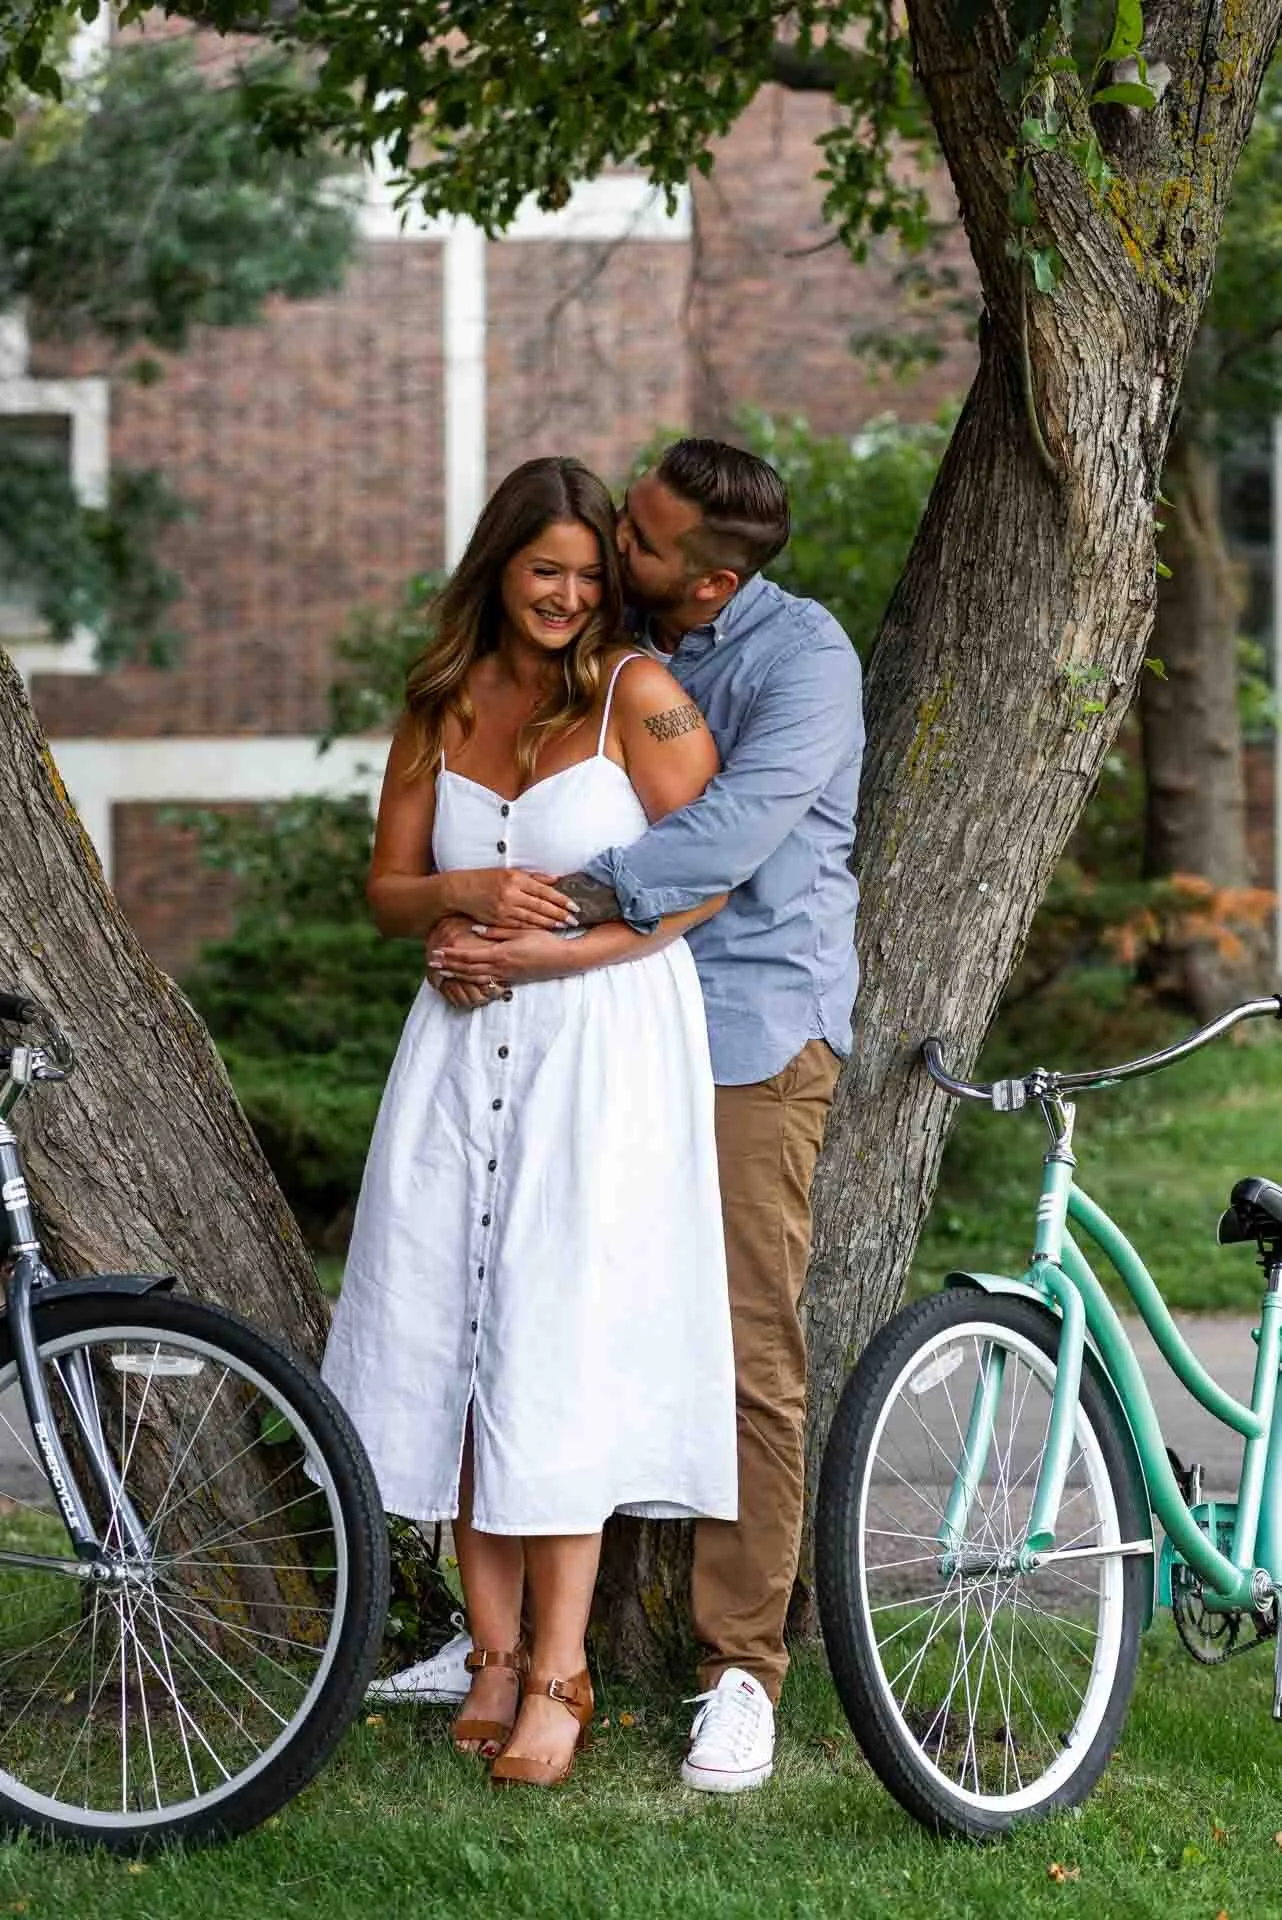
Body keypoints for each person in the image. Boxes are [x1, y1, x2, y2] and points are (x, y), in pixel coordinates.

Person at [429, 439, 863, 1793]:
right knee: (540, 1316)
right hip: (598, 1027)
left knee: (740, 1351)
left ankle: (740, 1668)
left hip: (739, 1031)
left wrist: (535, 906)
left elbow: (724, 840)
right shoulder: (606, 629)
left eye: (643, 537)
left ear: (713, 574)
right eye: (623, 519)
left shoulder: (803, 664)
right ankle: (509, 1644)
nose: (616, 543)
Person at [322, 454, 738, 1790]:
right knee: (451, 1328)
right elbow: (386, 893)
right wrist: (466, 895)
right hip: (455, 1050)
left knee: (558, 1343)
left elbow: (706, 884)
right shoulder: (440, 700)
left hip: (599, 1046)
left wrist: (548, 953)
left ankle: (562, 1669)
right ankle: (489, 1652)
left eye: (584, 573)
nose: (565, 594)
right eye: (541, 568)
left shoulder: (642, 698)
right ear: (496, 567)